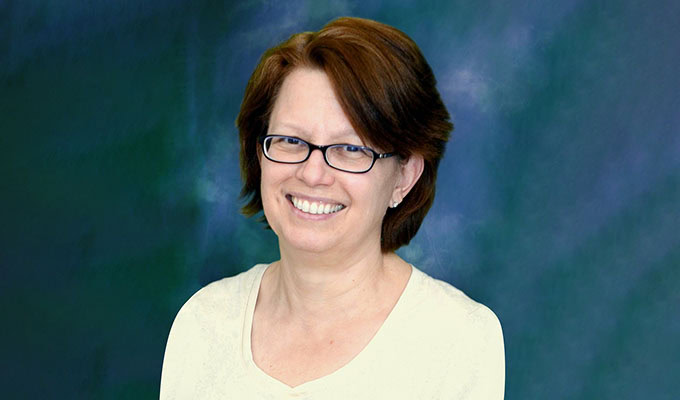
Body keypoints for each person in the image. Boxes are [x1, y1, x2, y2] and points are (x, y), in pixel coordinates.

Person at [160, 16, 504, 399]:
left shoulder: (459, 340)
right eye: (291, 140)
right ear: (259, 154)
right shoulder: (203, 323)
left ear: (404, 177)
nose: (312, 173)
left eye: (351, 149)